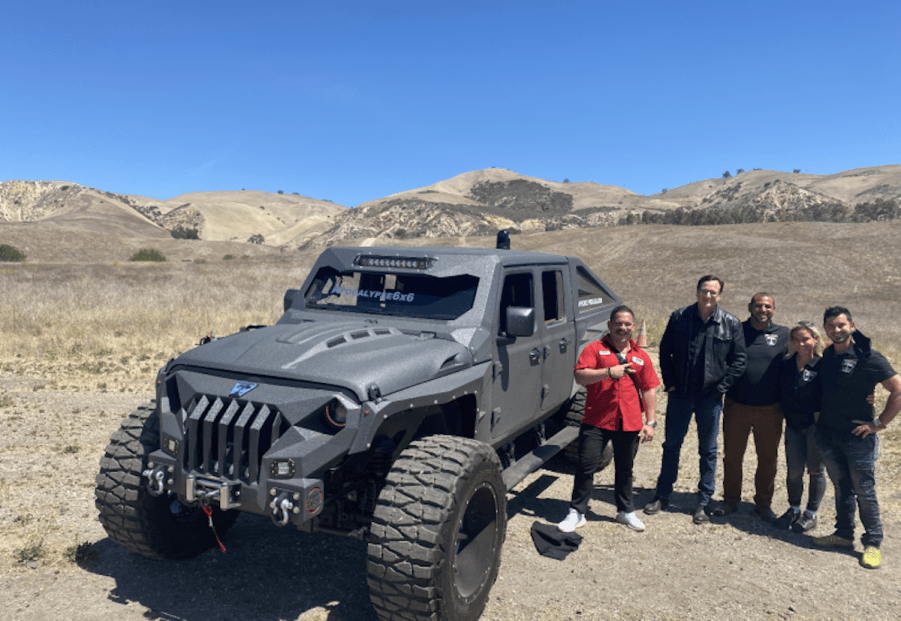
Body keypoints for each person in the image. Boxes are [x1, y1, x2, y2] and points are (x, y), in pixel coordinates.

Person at [644, 276, 746, 524]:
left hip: (709, 398)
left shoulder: (730, 323)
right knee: (671, 446)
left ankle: (703, 501)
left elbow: (739, 360)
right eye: (704, 291)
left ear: (719, 295)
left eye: (713, 292)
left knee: (708, 450)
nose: (708, 296)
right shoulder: (680, 317)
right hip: (680, 395)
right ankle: (663, 494)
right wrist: (670, 382)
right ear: (697, 292)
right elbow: (665, 350)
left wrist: (720, 388)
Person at [812, 307, 901, 569]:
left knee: (865, 491)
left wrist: (879, 424)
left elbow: (897, 389)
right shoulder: (827, 352)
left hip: (857, 438)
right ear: (826, 329)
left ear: (851, 325)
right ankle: (843, 534)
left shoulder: (869, 357)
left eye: (841, 325)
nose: (836, 330)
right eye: (831, 326)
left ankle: (872, 543)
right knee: (842, 487)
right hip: (828, 433)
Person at [558, 305, 659, 533]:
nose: (622, 328)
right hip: (597, 420)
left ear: (633, 327)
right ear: (609, 325)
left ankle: (626, 512)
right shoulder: (594, 349)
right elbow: (580, 375)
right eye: (618, 323)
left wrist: (650, 422)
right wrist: (607, 372)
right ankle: (577, 512)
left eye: (627, 324)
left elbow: (649, 389)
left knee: (625, 469)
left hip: (630, 422)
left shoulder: (641, 357)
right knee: (586, 466)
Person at [716, 293, 789, 521]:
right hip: (737, 405)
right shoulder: (736, 330)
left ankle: (764, 503)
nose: (763, 309)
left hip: (771, 409)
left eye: (767, 306)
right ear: (749, 307)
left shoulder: (784, 335)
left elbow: (811, 351)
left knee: (768, 459)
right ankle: (730, 500)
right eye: (758, 305)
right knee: (732, 457)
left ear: (774, 309)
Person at [774, 321, 826, 532]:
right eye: (796, 339)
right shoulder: (786, 364)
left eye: (805, 338)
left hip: (815, 427)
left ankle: (811, 513)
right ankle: (794, 509)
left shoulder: (823, 365)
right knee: (794, 472)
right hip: (793, 427)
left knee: (815, 471)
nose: (801, 343)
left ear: (815, 339)